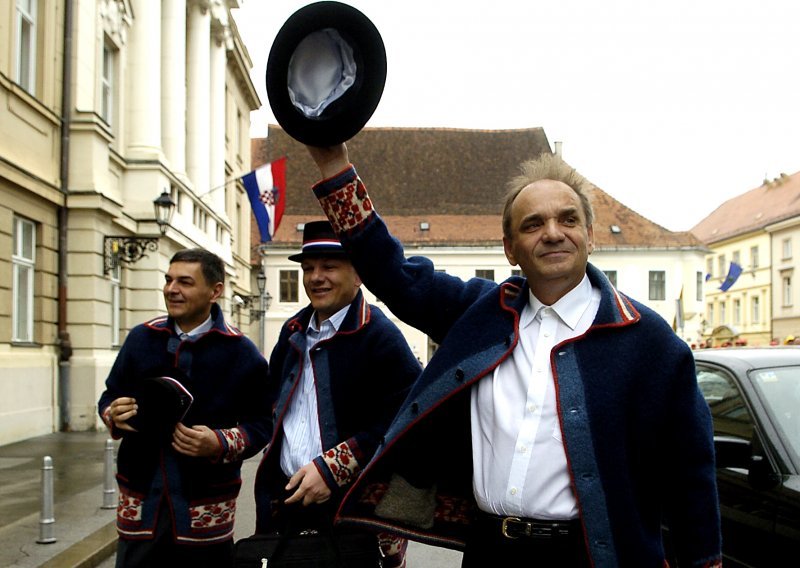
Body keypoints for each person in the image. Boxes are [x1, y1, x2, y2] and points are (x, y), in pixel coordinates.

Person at [299, 144, 722, 567]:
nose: (553, 233)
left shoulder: (648, 341)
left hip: (589, 555)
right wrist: (333, 162)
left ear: (591, 236)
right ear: (510, 248)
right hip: (490, 551)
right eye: (533, 224)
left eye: (568, 219)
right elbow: (393, 275)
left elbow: (690, 477)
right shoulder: (481, 313)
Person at [253, 220, 421, 568]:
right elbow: (272, 405)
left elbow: (409, 417)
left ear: (358, 274)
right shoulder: (292, 331)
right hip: (288, 504)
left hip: (350, 508)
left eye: (329, 266)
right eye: (309, 268)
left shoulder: (379, 336)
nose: (316, 277)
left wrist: (335, 467)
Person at [98, 248, 271, 568]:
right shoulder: (141, 338)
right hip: (141, 504)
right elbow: (109, 396)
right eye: (168, 280)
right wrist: (113, 413)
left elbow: (262, 424)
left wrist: (219, 442)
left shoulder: (241, 352)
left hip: (205, 512)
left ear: (215, 291)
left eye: (185, 282)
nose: (171, 289)